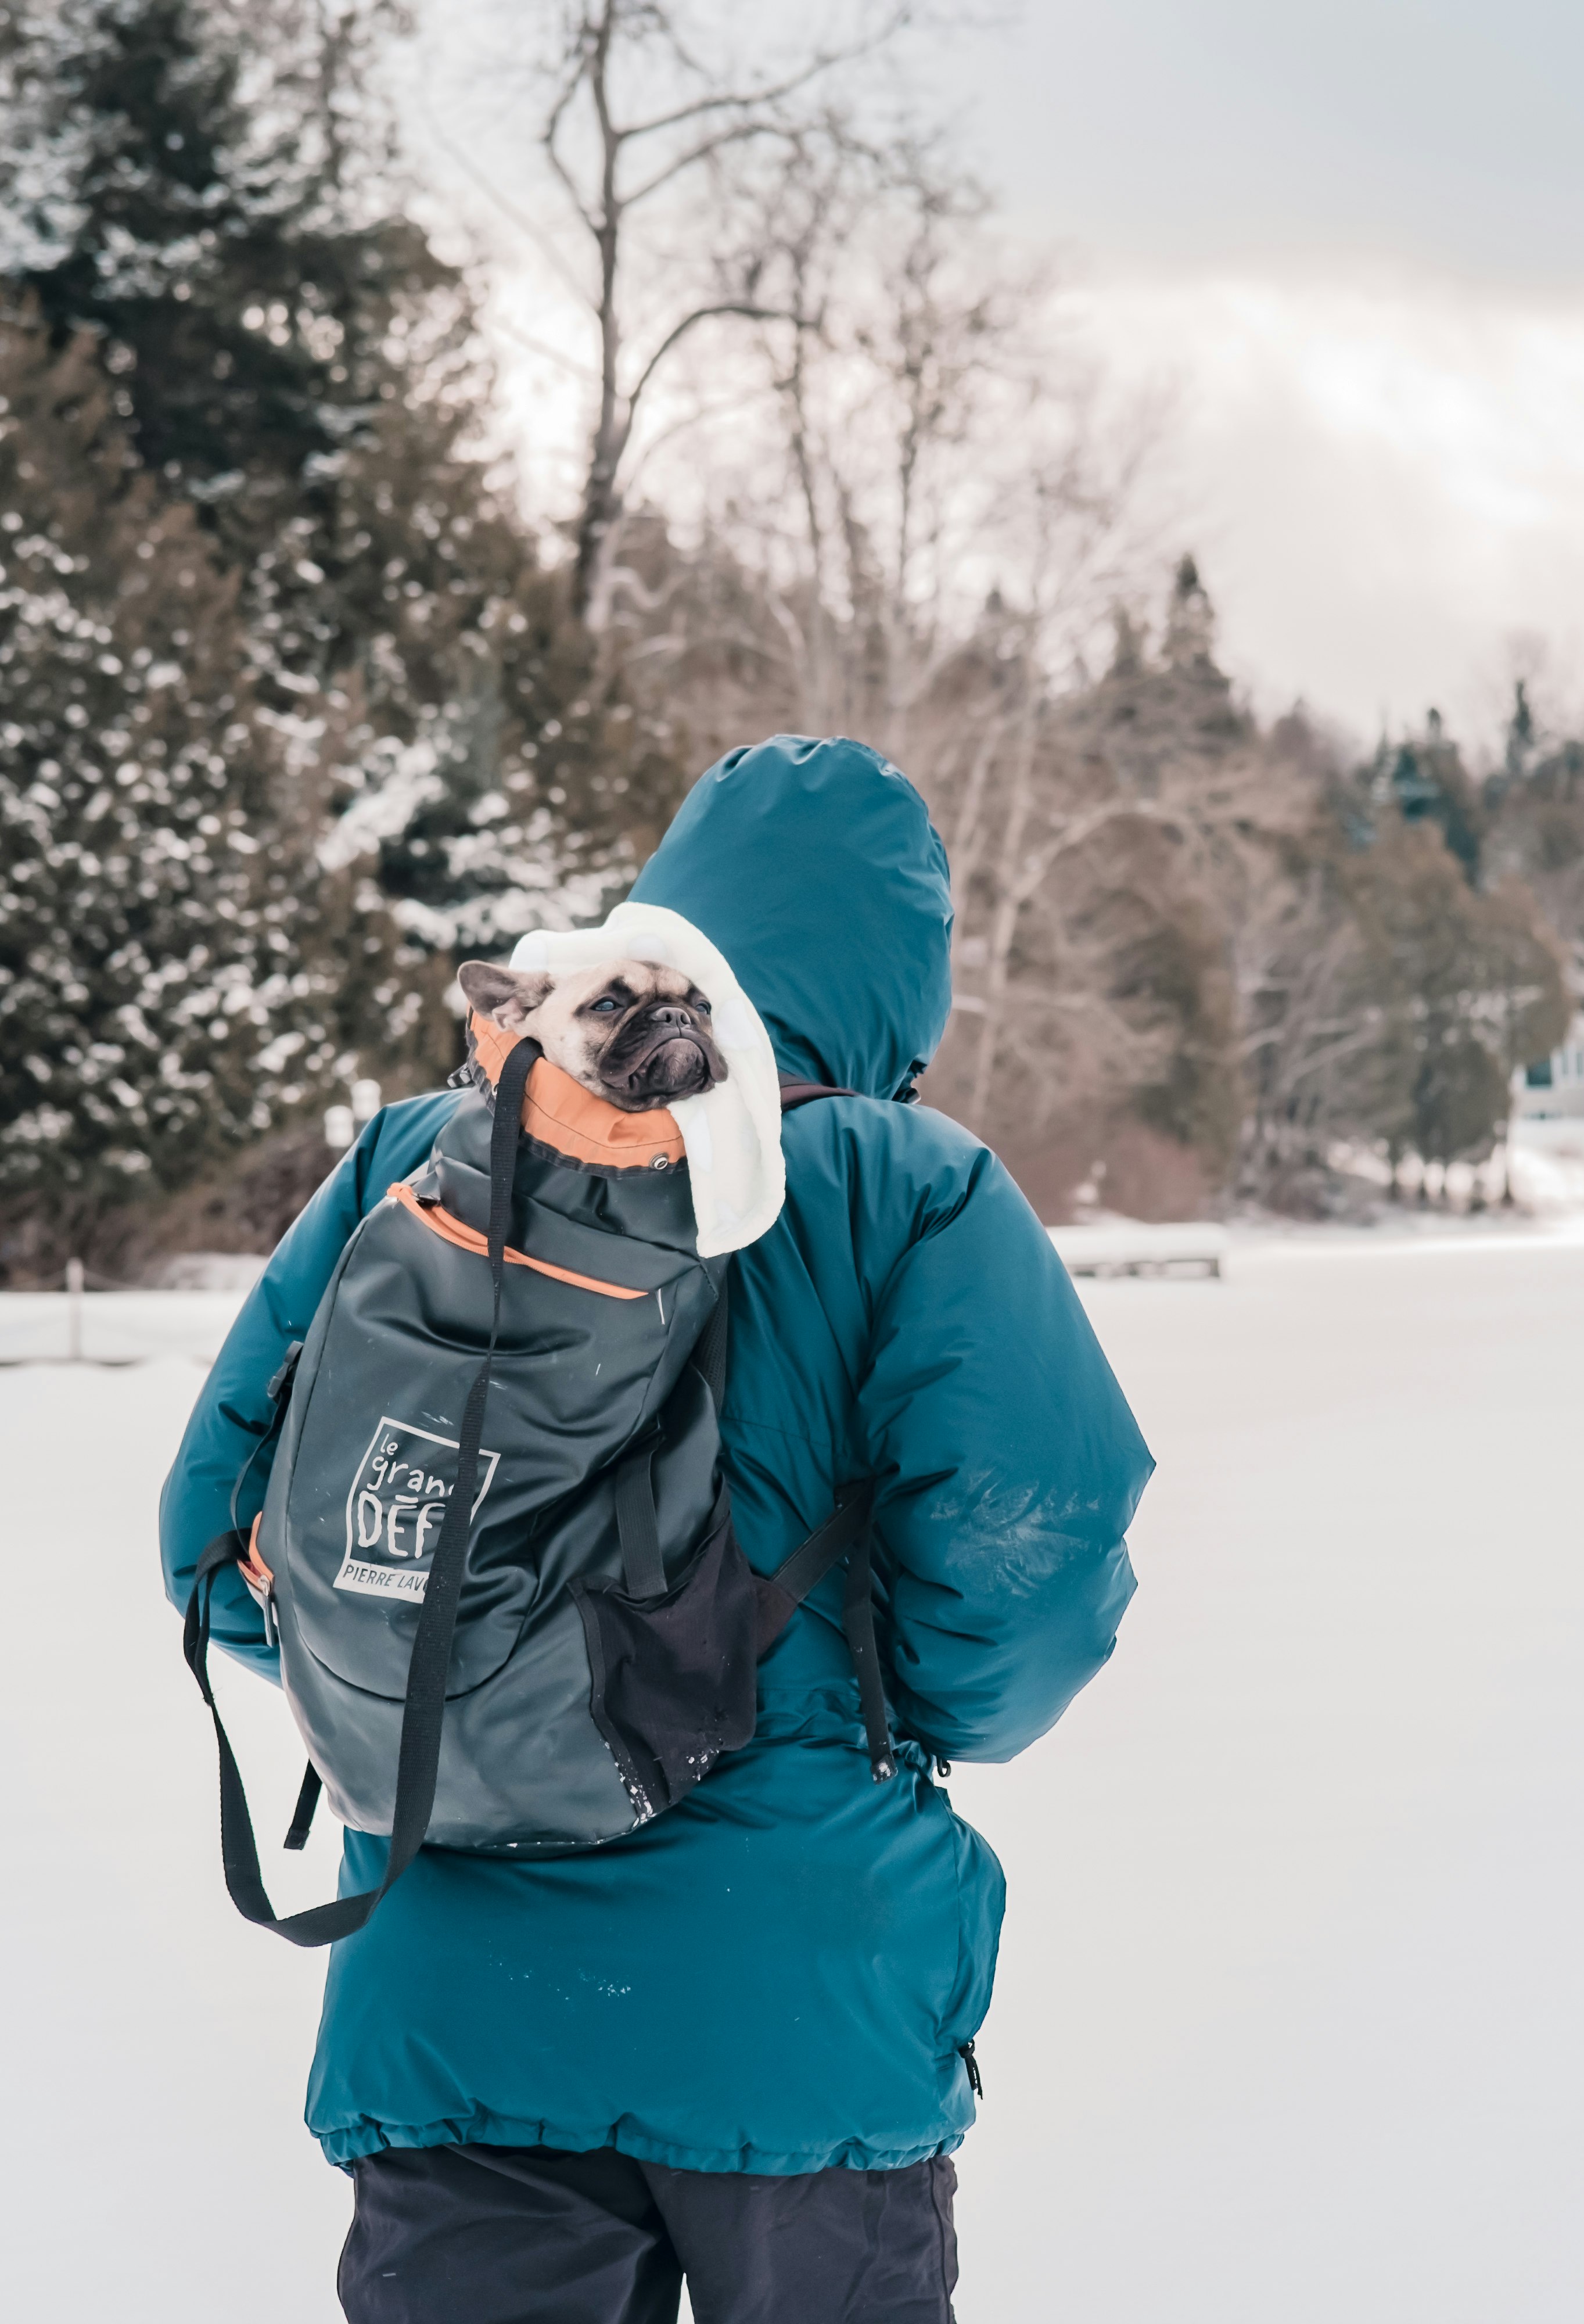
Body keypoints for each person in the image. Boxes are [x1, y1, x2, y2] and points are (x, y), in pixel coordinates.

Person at [160, 737, 1152, 2323]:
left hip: (444, 1988)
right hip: (798, 1990)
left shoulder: (430, 1154)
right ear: (903, 978)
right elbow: (1040, 1555)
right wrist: (914, 1721)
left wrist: (441, 1687)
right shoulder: (905, 1182)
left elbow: (211, 1545)